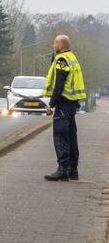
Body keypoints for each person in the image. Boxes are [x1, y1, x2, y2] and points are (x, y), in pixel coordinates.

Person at [43, 35, 87, 181]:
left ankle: (63, 170)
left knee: (60, 135)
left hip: (63, 102)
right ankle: (73, 170)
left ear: (61, 45)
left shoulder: (62, 60)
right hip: (72, 103)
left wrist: (51, 104)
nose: (53, 46)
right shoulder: (72, 57)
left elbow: (59, 84)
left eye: (55, 43)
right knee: (71, 136)